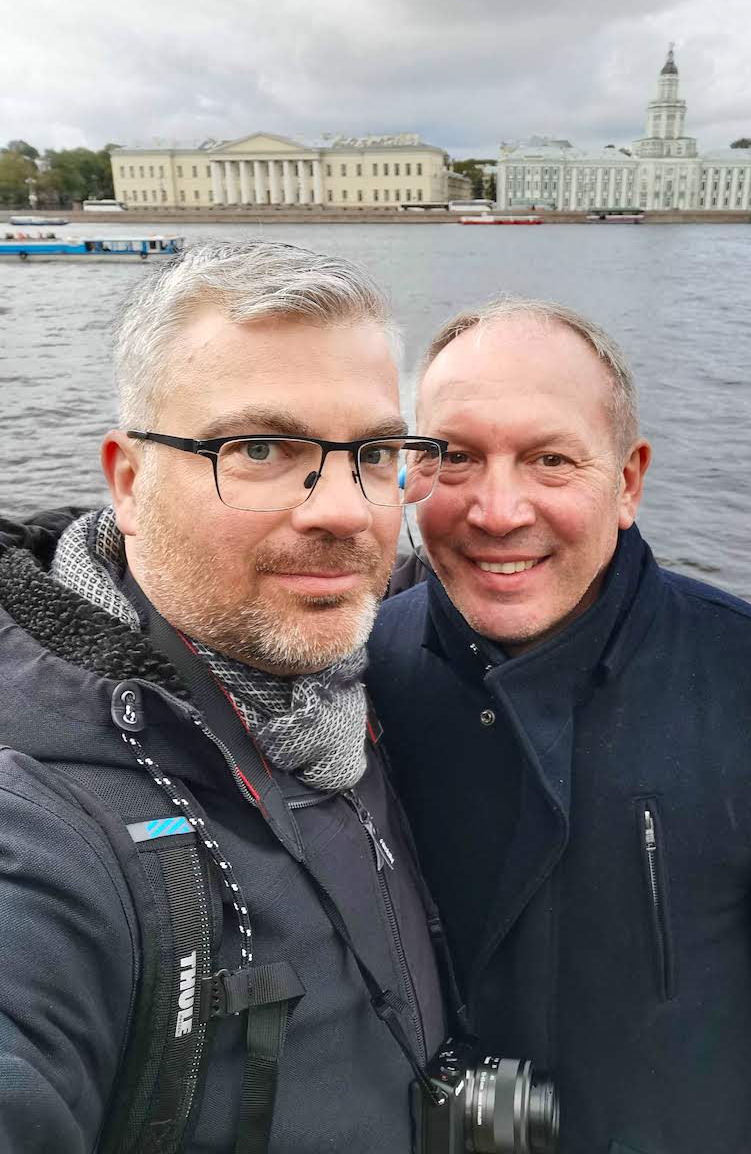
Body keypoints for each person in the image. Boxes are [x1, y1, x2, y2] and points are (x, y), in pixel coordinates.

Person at [367, 298, 751, 1153]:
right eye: (456, 457)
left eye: (550, 459)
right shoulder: (368, 666)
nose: (498, 512)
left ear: (628, 481)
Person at [0, 242, 449, 1153]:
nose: (343, 511)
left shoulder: (372, 671)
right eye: (258, 449)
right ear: (129, 481)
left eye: (372, 452)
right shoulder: (42, 820)